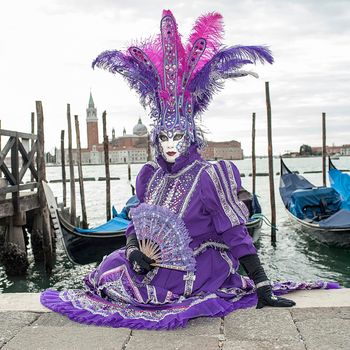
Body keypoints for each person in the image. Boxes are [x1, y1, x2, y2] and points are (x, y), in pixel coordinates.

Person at [41, 10, 339, 330]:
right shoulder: (150, 176)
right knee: (113, 269)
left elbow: (234, 232)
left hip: (198, 266)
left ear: (191, 137)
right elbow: (137, 223)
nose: (170, 145)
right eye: (164, 137)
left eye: (178, 137)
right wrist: (133, 250)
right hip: (153, 263)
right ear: (156, 138)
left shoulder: (209, 176)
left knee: (154, 290)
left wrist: (262, 283)